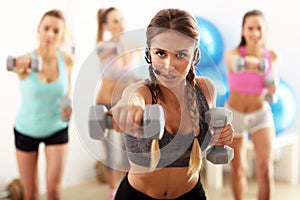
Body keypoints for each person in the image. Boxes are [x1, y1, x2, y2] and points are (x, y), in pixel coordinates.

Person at [107, 8, 234, 199]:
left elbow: (204, 143)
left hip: (192, 195)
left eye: (180, 55)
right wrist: (128, 109)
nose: (169, 65)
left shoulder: (206, 90)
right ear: (149, 54)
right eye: (160, 53)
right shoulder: (141, 92)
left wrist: (220, 136)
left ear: (195, 56)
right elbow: (131, 99)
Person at [12, 9, 73, 200]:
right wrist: (19, 66)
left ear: (62, 35)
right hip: (26, 130)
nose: (50, 34)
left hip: (57, 129)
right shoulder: (26, 62)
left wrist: (67, 108)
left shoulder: (67, 60)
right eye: (46, 28)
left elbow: (66, 93)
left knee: (54, 191)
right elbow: (18, 69)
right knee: (31, 194)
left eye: (56, 31)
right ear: (38, 29)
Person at [224, 9, 277, 200]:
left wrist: (273, 88)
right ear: (243, 31)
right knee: (238, 169)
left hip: (260, 113)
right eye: (250, 28)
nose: (255, 33)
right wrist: (257, 63)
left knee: (265, 169)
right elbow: (237, 64)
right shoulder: (232, 54)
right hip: (235, 114)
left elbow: (271, 85)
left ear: (266, 30)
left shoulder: (272, 56)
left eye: (259, 28)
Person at [95, 7, 142, 200]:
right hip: (104, 105)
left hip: (125, 106)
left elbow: (136, 75)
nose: (120, 23)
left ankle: (125, 188)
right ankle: (112, 189)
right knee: (110, 153)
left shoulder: (134, 47)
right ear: (105, 26)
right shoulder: (102, 46)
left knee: (127, 150)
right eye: (114, 21)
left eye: (121, 19)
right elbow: (104, 51)